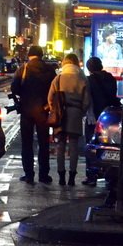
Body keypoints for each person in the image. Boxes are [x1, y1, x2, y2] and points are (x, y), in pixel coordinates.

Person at [10, 45, 56, 184]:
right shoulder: (49, 70)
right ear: (41, 55)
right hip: (43, 110)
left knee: (27, 143)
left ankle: (29, 174)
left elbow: (14, 88)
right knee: (44, 143)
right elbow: (55, 88)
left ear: (29, 55)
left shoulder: (23, 69)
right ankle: (44, 175)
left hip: (27, 110)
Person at [48, 53, 91, 186]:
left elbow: (50, 98)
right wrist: (81, 111)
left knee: (60, 145)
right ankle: (72, 176)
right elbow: (87, 100)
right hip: (76, 113)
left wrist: (55, 110)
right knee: (74, 145)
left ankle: (61, 176)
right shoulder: (82, 78)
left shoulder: (59, 78)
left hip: (61, 114)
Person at [82, 56, 120, 186]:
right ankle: (109, 174)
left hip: (94, 118)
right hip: (109, 116)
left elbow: (87, 100)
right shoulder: (111, 78)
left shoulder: (89, 80)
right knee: (110, 145)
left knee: (91, 145)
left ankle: (92, 175)